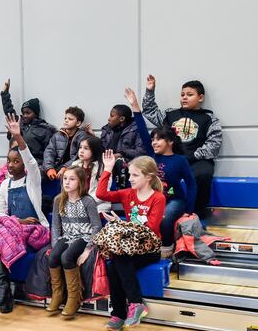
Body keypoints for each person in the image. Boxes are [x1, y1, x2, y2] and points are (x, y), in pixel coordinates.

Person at [0, 114, 51, 314]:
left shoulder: (33, 179)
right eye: (9, 161)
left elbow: (30, 159)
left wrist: (18, 136)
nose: (11, 165)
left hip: (36, 228)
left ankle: (4, 292)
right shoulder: (6, 184)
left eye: (15, 162)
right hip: (16, 226)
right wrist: (18, 221)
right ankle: (5, 292)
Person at [95, 151, 165, 331]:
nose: (131, 179)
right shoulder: (127, 193)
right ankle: (125, 310)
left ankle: (126, 309)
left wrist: (123, 224)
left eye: (135, 175)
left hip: (149, 248)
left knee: (118, 260)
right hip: (128, 247)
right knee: (115, 264)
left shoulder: (158, 198)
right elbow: (101, 193)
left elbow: (151, 227)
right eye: (130, 174)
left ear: (148, 177)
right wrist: (108, 169)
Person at [126, 87, 197, 258]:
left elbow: (191, 184)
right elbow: (142, 130)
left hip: (173, 199)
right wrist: (135, 106)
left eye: (159, 139)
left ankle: (167, 248)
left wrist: (189, 209)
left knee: (164, 220)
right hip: (152, 199)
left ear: (170, 142)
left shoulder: (180, 160)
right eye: (153, 139)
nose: (154, 142)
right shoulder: (151, 156)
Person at [141, 75, 220, 217]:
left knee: (203, 174)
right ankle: (157, 210)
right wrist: (150, 91)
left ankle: (196, 214)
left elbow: (214, 144)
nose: (184, 97)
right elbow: (149, 111)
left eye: (189, 95)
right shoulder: (170, 114)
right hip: (171, 157)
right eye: (182, 94)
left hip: (196, 159)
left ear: (200, 98)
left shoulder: (209, 118)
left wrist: (193, 156)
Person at [47, 166, 102, 318]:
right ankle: (57, 293)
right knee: (53, 257)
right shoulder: (59, 200)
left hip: (83, 237)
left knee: (66, 257)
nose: (67, 182)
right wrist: (56, 244)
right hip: (67, 236)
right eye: (65, 179)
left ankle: (74, 297)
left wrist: (88, 249)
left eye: (72, 179)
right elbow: (56, 226)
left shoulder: (87, 201)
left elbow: (97, 226)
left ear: (80, 182)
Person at [0, 78, 56, 166]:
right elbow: (9, 111)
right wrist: (4, 94)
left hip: (35, 165)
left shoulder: (45, 129)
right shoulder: (19, 123)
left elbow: (49, 152)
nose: (25, 115)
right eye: (23, 113)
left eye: (28, 113)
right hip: (18, 164)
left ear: (36, 113)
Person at [63, 136, 111, 213]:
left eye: (86, 148)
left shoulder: (103, 168)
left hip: (97, 205)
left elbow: (102, 193)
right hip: (76, 203)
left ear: (94, 150)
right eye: (80, 147)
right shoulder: (75, 165)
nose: (81, 151)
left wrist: (85, 204)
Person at [43, 106, 88, 180]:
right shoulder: (57, 135)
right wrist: (49, 168)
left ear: (78, 123)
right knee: (38, 173)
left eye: (70, 119)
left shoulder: (82, 136)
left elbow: (78, 156)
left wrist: (65, 168)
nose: (66, 120)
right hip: (56, 166)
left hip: (73, 166)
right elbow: (49, 152)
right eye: (65, 118)